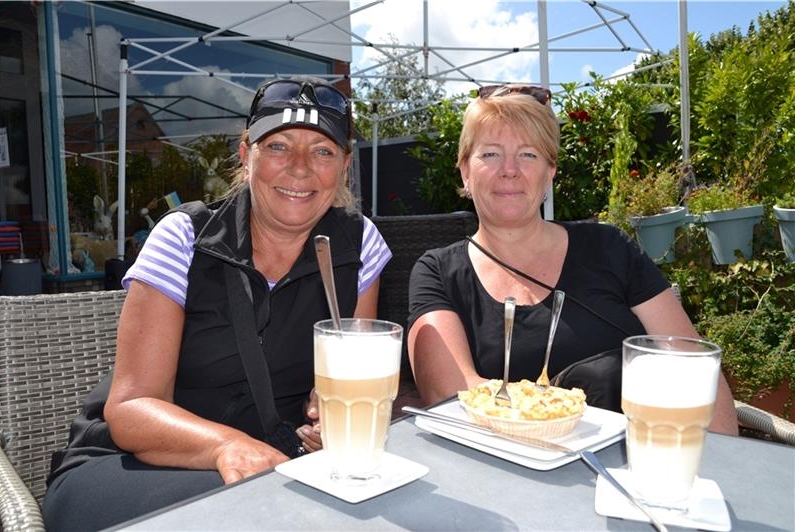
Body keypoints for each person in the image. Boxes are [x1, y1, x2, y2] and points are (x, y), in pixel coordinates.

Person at [43, 76, 393, 530]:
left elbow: (348, 379)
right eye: (279, 146)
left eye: (323, 150)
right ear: (247, 156)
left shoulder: (360, 246)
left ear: (343, 167)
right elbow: (130, 410)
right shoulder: (186, 238)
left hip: (272, 465)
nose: (301, 168)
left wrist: (325, 416)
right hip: (126, 464)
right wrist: (227, 446)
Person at [406, 84, 738, 435]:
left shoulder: (609, 247)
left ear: (549, 173)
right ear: (465, 172)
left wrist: (721, 468)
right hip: (510, 476)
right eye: (489, 154)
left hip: (644, 461)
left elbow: (694, 369)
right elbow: (451, 396)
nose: (509, 170)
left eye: (528, 155)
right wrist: (551, 412)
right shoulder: (438, 273)